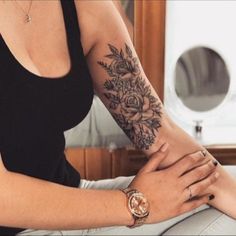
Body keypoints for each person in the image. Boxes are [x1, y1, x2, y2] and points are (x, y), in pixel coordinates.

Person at [0, 0, 235, 235]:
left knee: (223, 188)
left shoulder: (84, 7)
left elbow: (156, 128)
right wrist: (134, 204)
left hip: (73, 198)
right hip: (16, 221)